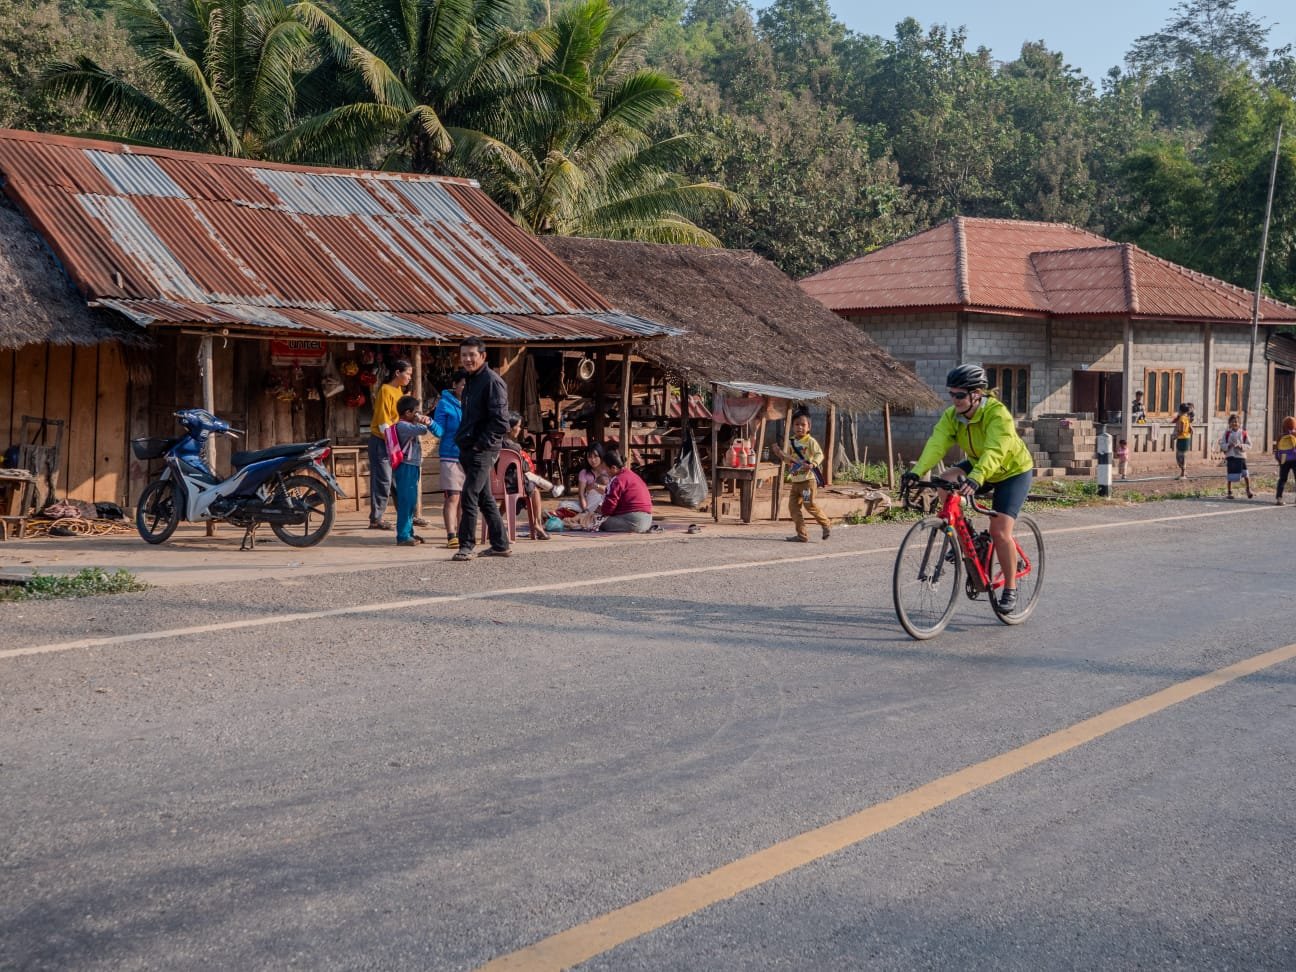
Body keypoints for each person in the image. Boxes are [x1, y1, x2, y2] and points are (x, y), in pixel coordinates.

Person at [904, 364, 1035, 613]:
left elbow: (996, 450)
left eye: (960, 395)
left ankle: (1010, 587)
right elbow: (937, 443)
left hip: (1011, 471)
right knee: (945, 482)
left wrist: (976, 478)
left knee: (1000, 532)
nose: (955, 400)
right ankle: (969, 540)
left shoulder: (997, 414)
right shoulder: (953, 416)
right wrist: (916, 472)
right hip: (979, 466)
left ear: (977, 393)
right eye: (952, 394)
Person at [451, 338, 511, 561]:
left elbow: (501, 422)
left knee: (469, 494)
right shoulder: (469, 380)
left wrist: (480, 444)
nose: (467, 359)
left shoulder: (492, 381)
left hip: (483, 449)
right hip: (468, 446)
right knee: (485, 497)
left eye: (471, 355)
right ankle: (500, 545)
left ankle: (466, 545)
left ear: (483, 356)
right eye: (464, 354)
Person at [770, 407, 831, 543]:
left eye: (803, 425)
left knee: (809, 505)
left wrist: (813, 464)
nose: (800, 427)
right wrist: (779, 453)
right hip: (795, 482)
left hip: (807, 482)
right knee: (793, 508)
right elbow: (789, 460)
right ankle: (802, 535)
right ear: (792, 427)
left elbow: (819, 454)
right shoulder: (791, 442)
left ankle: (826, 523)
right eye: (797, 424)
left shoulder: (810, 441)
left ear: (809, 427)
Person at [368, 358, 412, 530]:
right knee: (383, 479)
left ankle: (405, 514)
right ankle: (376, 518)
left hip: (393, 440)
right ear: (397, 373)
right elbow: (383, 421)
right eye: (407, 373)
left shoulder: (399, 392)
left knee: (395, 480)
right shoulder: (385, 390)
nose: (409, 377)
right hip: (382, 440)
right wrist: (392, 444)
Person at [429, 370, 467, 548]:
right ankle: (451, 534)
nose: (466, 388)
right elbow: (440, 431)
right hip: (450, 456)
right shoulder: (444, 404)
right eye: (463, 384)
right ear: (455, 385)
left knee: (465, 498)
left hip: (469, 455)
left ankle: (462, 532)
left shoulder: (473, 403)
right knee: (453, 497)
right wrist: (429, 423)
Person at [503, 412, 550, 540]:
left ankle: (492, 526)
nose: (519, 429)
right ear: (510, 427)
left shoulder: (494, 444)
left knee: (505, 497)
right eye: (518, 426)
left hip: (496, 485)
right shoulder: (515, 447)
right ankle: (537, 523)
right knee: (534, 489)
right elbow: (525, 468)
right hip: (512, 484)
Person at [392, 396, 430, 546]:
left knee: (410, 501)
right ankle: (402, 536)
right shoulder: (402, 426)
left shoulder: (406, 425)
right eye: (415, 412)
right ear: (407, 413)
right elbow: (423, 430)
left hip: (411, 466)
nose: (418, 414)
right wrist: (421, 419)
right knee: (406, 502)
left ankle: (409, 533)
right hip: (405, 466)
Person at [598, 448, 653, 532]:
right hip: (648, 521)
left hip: (634, 522)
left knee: (598, 522)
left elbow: (608, 508)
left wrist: (599, 513)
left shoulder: (617, 480)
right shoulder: (631, 475)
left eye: (605, 469)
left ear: (613, 468)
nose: (604, 472)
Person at [1218, 414, 1254, 499]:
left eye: (1236, 422)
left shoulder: (1243, 433)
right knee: (1230, 474)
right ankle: (1229, 492)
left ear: (1239, 423)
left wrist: (1241, 446)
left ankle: (1248, 490)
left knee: (1245, 474)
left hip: (1241, 456)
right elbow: (1222, 444)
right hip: (1231, 456)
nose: (1234, 423)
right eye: (1232, 422)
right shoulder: (1227, 433)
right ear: (1229, 423)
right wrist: (1228, 445)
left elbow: (1249, 445)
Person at [1274, 416, 1296, 505]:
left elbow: (1277, 449)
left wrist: (1279, 460)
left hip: (1283, 458)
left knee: (1282, 479)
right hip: (1295, 458)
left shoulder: (1280, 435)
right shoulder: (1295, 434)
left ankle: (1279, 498)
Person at [1173, 403, 1193, 479]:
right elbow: (1191, 429)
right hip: (1186, 438)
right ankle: (1183, 472)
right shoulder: (1187, 418)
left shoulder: (1181, 418)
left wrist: (1175, 436)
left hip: (1182, 439)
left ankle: (1183, 473)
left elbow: (1181, 430)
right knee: (1182, 456)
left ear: (1180, 410)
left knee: (1179, 456)